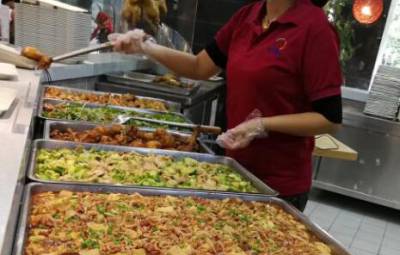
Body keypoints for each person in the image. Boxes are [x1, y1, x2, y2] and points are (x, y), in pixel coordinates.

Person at [110, 0, 342, 211]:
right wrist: (146, 47)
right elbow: (199, 67)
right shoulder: (247, 16)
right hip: (234, 172)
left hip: (279, 186)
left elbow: (329, 119)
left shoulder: (314, 28)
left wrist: (261, 125)